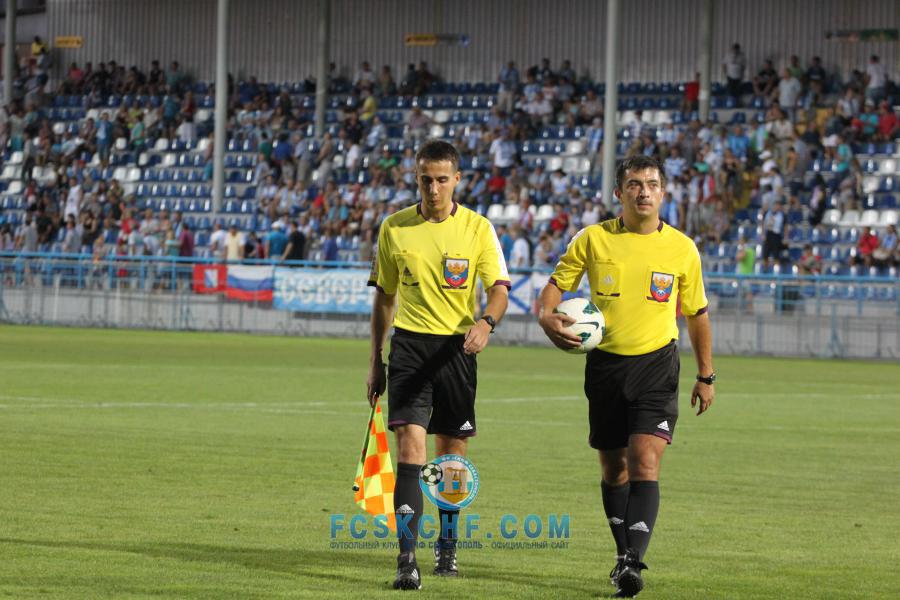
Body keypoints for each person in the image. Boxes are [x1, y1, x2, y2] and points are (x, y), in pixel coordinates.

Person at [536, 156, 715, 598]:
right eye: (634, 184)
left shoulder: (682, 249)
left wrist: (706, 375)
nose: (643, 191)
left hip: (657, 365)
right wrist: (545, 314)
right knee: (614, 467)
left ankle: (634, 561)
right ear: (619, 192)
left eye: (652, 183)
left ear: (663, 192)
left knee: (644, 461)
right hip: (605, 367)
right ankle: (622, 554)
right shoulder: (593, 239)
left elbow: (697, 314)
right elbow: (557, 285)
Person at [365, 140, 510, 590]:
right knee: (410, 449)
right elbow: (384, 298)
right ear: (416, 178)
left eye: (442, 179)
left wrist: (486, 323)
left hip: (457, 351)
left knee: (451, 455)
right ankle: (406, 560)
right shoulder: (394, 228)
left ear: (457, 180)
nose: (433, 188)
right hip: (409, 348)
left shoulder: (478, 229)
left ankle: (447, 545)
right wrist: (375, 360)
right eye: (426, 179)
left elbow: (499, 289)